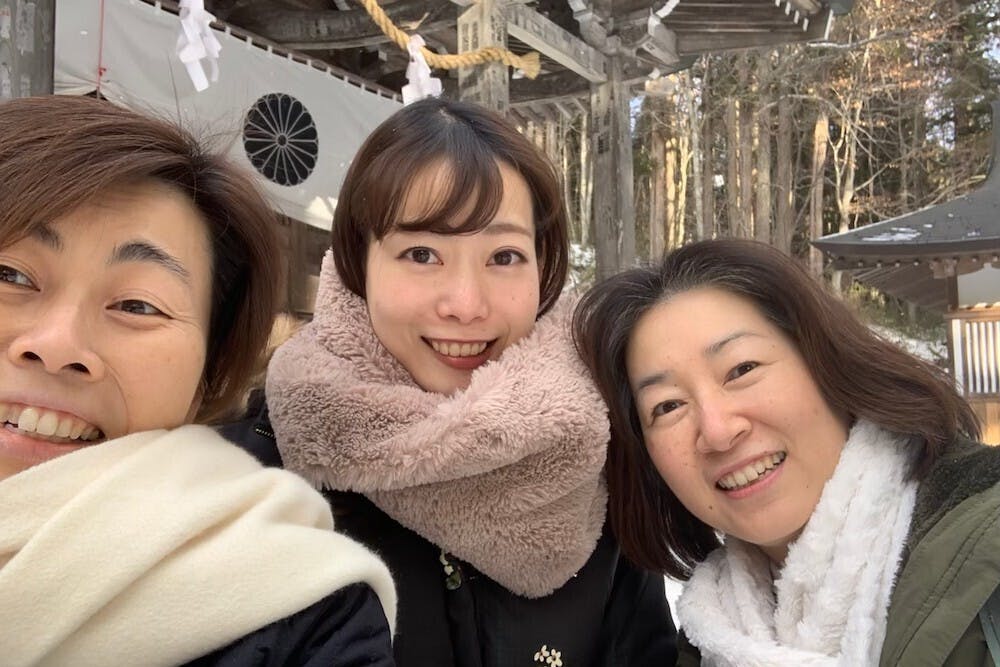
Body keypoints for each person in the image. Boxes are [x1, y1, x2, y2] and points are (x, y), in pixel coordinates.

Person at [225, 97, 676, 666]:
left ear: (544, 268)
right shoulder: (248, 483)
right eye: (422, 253)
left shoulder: (598, 456)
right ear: (359, 263)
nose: (465, 304)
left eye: (504, 256)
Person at [0, 95, 396, 667]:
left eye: (137, 305)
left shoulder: (302, 616)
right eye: (10, 274)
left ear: (208, 376)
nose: (57, 346)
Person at [573, 238, 1000, 666]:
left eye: (741, 370)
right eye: (668, 407)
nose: (718, 431)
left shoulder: (986, 557)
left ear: (826, 361)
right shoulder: (707, 644)